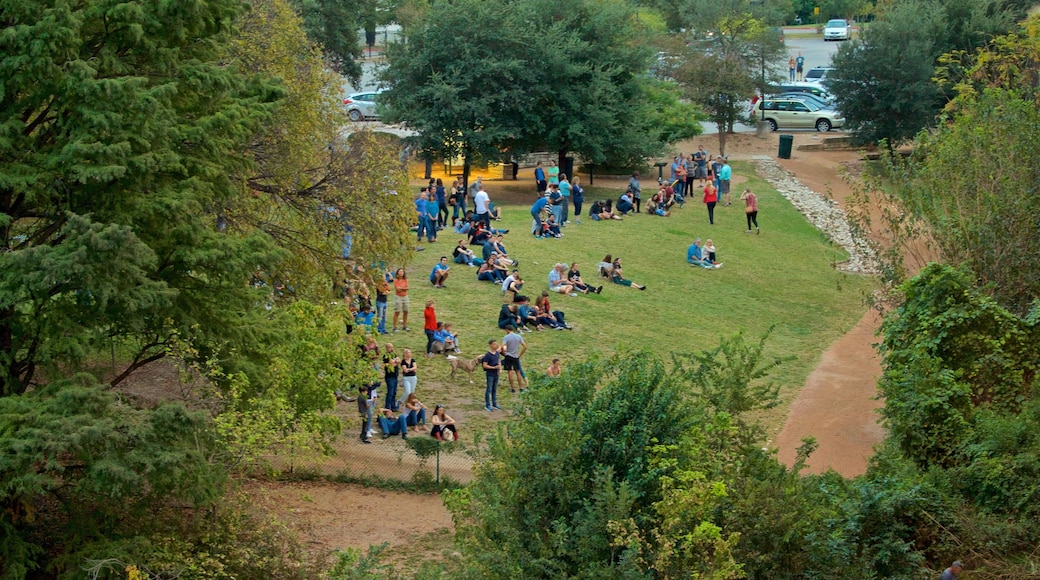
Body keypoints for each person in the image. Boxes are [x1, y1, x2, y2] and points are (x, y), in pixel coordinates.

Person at [501, 325, 527, 394]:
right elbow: (525, 346)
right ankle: (520, 387)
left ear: (507, 330)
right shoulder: (518, 336)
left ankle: (512, 388)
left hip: (509, 355)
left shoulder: (506, 337)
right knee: (518, 372)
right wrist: (520, 354)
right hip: (516, 356)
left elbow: (502, 346)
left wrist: (504, 353)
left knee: (510, 372)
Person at [480, 339, 503, 411]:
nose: (496, 345)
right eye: (494, 344)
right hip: (490, 374)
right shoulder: (487, 355)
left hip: (496, 373)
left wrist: (500, 369)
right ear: (490, 345)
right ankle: (487, 404)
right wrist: (493, 367)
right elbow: (484, 365)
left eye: (496, 344)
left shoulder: (496, 353)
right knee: (489, 389)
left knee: (494, 389)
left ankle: (494, 403)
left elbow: (498, 361)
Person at [382, 343, 401, 410]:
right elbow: (391, 364)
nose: (392, 348)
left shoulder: (394, 354)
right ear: (387, 348)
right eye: (390, 347)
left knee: (394, 392)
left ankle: (393, 406)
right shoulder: (386, 356)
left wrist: (394, 361)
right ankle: (387, 406)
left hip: (395, 376)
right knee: (390, 392)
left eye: (392, 347)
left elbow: (399, 361)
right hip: (389, 376)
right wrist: (395, 362)